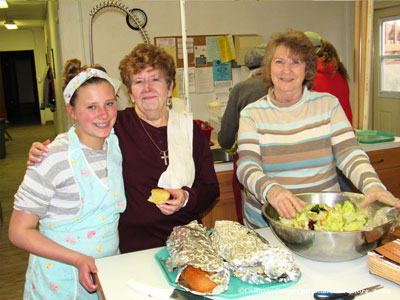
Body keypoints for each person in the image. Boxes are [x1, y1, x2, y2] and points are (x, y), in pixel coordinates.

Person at [27, 44, 220, 253]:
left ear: (170, 86)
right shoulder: (115, 126)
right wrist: (46, 150)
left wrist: (186, 198)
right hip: (135, 246)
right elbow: (80, 137)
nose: (147, 88)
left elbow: (211, 188)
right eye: (139, 81)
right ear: (130, 92)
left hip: (187, 240)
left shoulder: (189, 129)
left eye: (155, 79)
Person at [236, 29, 400, 229]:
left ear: (307, 69)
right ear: (269, 67)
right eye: (279, 62)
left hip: (322, 222)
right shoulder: (252, 114)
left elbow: (350, 154)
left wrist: (372, 184)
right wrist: (272, 190)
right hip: (267, 226)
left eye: (296, 62)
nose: (286, 70)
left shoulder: (328, 105)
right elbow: (247, 167)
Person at [9, 59, 126, 299]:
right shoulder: (53, 158)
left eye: (109, 103)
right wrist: (77, 259)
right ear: (71, 111)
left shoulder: (114, 144)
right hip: (59, 282)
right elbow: (18, 231)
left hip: (105, 274)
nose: (103, 114)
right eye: (91, 107)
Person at [218, 43, 268, 224]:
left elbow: (225, 139)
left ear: (248, 68)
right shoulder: (286, 87)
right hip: (283, 165)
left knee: (252, 216)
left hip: (251, 161)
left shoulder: (241, 89)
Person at [305, 31, 354, 192]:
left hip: (322, 149)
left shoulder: (309, 78)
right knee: (346, 205)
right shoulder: (338, 71)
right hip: (344, 142)